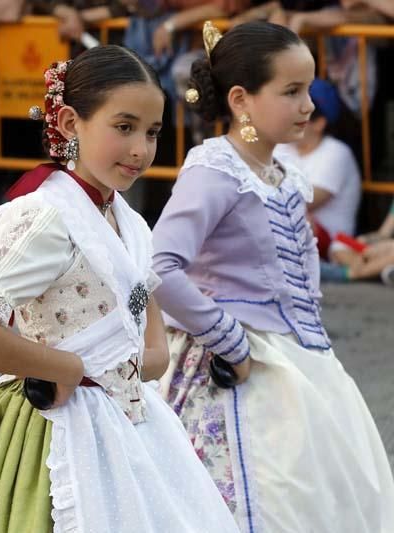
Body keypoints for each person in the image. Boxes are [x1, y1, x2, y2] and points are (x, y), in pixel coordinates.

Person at [0, 45, 239, 533]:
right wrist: (66, 366)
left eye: (152, 132)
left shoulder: (130, 221)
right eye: (123, 128)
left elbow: (147, 316)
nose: (140, 149)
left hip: (132, 423)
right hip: (54, 425)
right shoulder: (43, 216)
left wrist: (146, 356)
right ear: (69, 123)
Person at [153, 21, 394, 532]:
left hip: (300, 362)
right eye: (291, 92)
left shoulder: (280, 174)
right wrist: (230, 340)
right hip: (234, 369)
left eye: (307, 89)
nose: (308, 105)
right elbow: (158, 269)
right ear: (241, 99)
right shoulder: (216, 170)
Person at [275, 78, 361, 258]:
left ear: (319, 123)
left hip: (331, 241)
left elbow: (305, 201)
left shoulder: (337, 152)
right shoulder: (282, 147)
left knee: (295, 216)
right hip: (292, 231)